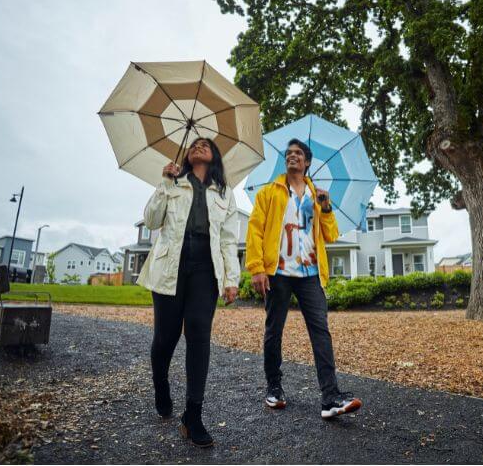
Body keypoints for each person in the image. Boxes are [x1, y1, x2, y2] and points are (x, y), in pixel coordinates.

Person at [246, 138, 363, 419]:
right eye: (289, 154)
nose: (292, 157)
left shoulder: (317, 195)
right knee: (274, 330)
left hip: (311, 273)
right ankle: (274, 387)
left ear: (307, 162)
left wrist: (326, 208)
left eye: (298, 154)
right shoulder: (270, 193)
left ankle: (330, 398)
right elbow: (256, 230)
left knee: (321, 332)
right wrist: (256, 267)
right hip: (278, 272)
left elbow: (330, 235)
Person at [137, 137, 240, 448]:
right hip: (170, 265)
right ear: (186, 155)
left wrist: (231, 278)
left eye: (205, 144)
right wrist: (163, 182)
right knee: (165, 337)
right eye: (194, 143)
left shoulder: (224, 193)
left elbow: (228, 239)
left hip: (205, 269)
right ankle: (161, 384)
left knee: (198, 334)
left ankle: (192, 415)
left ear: (215, 156)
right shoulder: (173, 182)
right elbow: (152, 220)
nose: (198, 146)